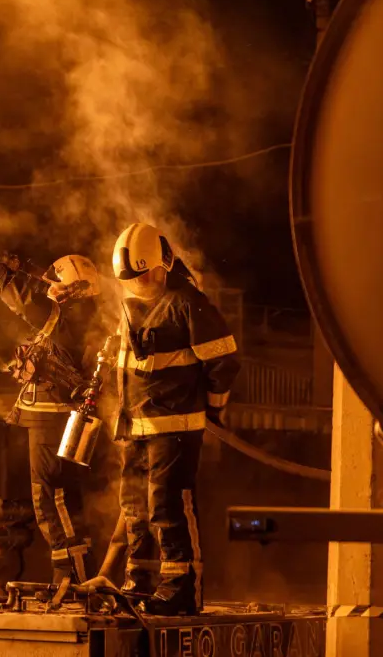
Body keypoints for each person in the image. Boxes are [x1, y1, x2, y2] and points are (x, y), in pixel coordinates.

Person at [109, 222, 240, 615]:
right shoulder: (132, 306)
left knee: (168, 504)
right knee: (134, 505)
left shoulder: (188, 302)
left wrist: (214, 406)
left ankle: (181, 587)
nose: (138, 284)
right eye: (131, 279)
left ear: (161, 265)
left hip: (176, 427)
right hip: (136, 425)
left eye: (143, 275)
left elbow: (224, 361)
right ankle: (139, 580)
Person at [0, 239, 103, 585]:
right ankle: (75, 576)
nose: (49, 288)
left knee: (51, 498)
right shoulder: (81, 319)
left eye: (54, 282)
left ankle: (73, 582)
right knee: (61, 501)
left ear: (71, 289)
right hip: (59, 419)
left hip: (53, 421)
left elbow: (22, 302)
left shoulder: (66, 320)